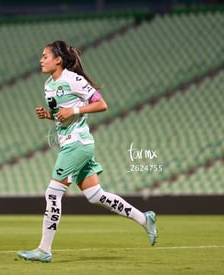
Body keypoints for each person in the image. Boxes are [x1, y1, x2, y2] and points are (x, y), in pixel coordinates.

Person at [17, 40, 157, 263]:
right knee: (95, 196)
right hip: (72, 143)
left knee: (53, 194)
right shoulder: (48, 85)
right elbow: (65, 115)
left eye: (45, 56)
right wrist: (50, 115)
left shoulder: (73, 80)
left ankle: (44, 250)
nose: (40, 60)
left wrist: (73, 108)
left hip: (77, 143)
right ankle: (144, 219)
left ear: (58, 60)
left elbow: (101, 104)